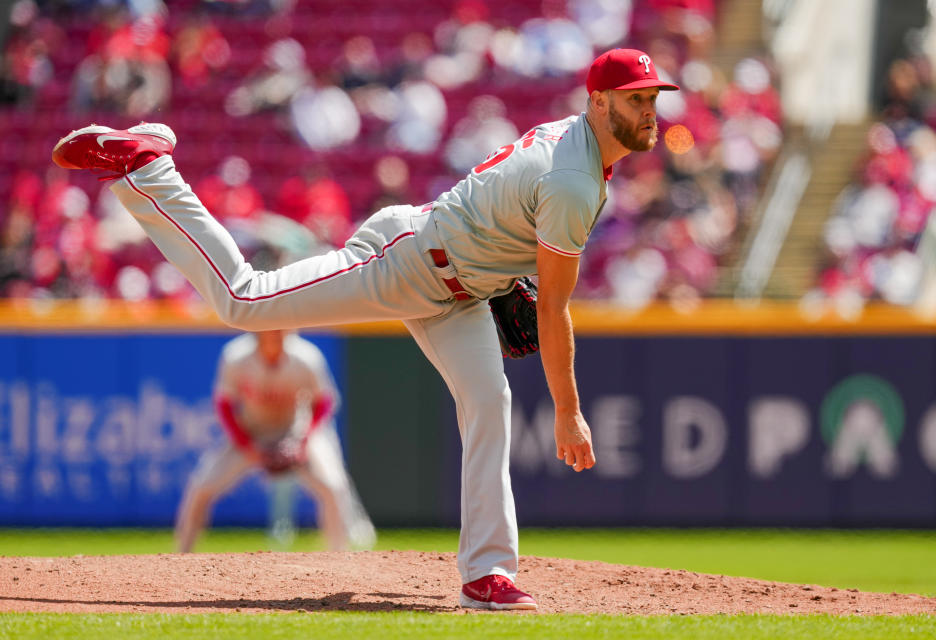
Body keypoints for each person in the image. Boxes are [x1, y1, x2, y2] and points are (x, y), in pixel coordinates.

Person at [52, 48, 678, 610]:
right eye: (636, 99)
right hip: (409, 263)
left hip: (456, 287)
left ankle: (487, 573)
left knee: (489, 400)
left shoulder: (576, 146)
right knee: (244, 300)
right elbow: (552, 310)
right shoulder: (572, 179)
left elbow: (507, 214)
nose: (650, 111)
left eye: (653, 99)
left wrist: (499, 273)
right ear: (598, 102)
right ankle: (150, 170)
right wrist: (568, 413)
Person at [174, 329, 376, 553]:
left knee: (334, 486)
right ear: (257, 330)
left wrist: (304, 441)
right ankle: (181, 555)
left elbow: (325, 401)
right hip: (252, 431)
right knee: (201, 486)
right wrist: (246, 446)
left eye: (281, 326)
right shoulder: (236, 355)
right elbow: (224, 405)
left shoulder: (306, 356)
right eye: (269, 326)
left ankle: (339, 556)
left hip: (295, 430)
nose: (275, 332)